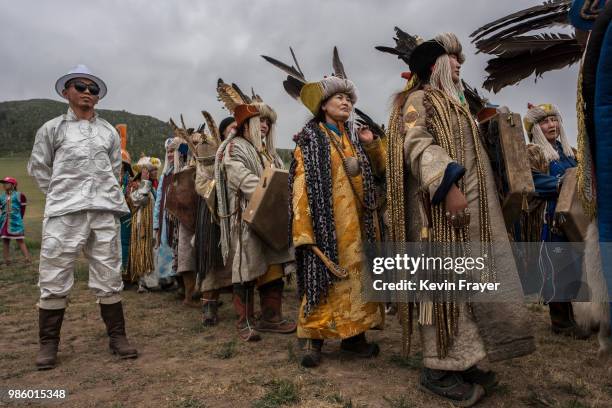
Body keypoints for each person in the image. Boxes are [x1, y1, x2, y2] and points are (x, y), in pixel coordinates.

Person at [385, 34, 534, 405]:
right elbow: (416, 144)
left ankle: (464, 361)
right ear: (435, 66)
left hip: (472, 214)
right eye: (453, 58)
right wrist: (446, 183)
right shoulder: (419, 101)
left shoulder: (457, 106)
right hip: (440, 213)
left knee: (474, 285)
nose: (459, 64)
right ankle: (437, 368)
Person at [28, 64, 137, 370]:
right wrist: (62, 193)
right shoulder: (52, 129)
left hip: (103, 209)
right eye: (80, 87)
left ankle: (118, 337)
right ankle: (48, 344)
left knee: (109, 272)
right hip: (65, 211)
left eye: (93, 89)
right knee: (54, 274)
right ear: (67, 92)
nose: (88, 93)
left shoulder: (108, 132)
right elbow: (39, 167)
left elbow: (115, 168)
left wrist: (101, 194)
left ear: (98, 98)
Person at [289, 75, 386, 368]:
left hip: (359, 225)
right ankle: (313, 340)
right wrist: (304, 232)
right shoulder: (309, 140)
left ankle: (354, 339)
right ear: (323, 106)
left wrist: (371, 146)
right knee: (323, 279)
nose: (345, 102)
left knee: (358, 281)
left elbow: (382, 171)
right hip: (325, 226)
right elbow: (300, 187)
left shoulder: (357, 137)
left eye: (348, 98)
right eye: (338, 98)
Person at [215, 89, 296, 341]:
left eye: (268, 122)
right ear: (247, 122)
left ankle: (271, 317)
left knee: (273, 266)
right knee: (247, 268)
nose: (265, 126)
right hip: (247, 217)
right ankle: (245, 321)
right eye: (260, 120)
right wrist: (269, 193)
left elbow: (284, 179)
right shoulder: (233, 147)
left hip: (273, 219)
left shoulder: (270, 154)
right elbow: (241, 177)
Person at [522, 103, 590, 339]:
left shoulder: (570, 152)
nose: (552, 125)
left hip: (577, 217)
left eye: (554, 119)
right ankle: (560, 321)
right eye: (545, 121)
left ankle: (582, 317)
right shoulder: (532, 152)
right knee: (558, 267)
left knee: (578, 267)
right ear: (535, 128)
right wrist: (562, 184)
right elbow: (531, 183)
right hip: (551, 218)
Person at [126, 156, 160, 292]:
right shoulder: (136, 186)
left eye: (154, 170)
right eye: (150, 170)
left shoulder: (152, 187)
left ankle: (153, 281)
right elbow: (139, 200)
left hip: (152, 224)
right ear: (143, 172)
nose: (153, 172)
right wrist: (145, 182)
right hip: (141, 224)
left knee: (152, 251)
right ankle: (142, 282)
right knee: (143, 250)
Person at [153, 138, 179, 289]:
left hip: (177, 218)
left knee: (177, 245)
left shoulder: (181, 172)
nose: (170, 154)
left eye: (173, 151)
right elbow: (158, 202)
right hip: (164, 219)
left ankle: (177, 278)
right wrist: (156, 224)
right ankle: (166, 278)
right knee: (165, 244)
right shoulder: (164, 176)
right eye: (168, 152)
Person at [0, 177, 31, 265]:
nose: (4, 185)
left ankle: (27, 258)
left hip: (16, 222)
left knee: (20, 240)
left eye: (7, 183)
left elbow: (22, 209)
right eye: (3, 183)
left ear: (13, 185)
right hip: (4, 222)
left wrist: (19, 218)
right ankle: (7, 260)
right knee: (5, 240)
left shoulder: (20, 195)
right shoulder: (1, 196)